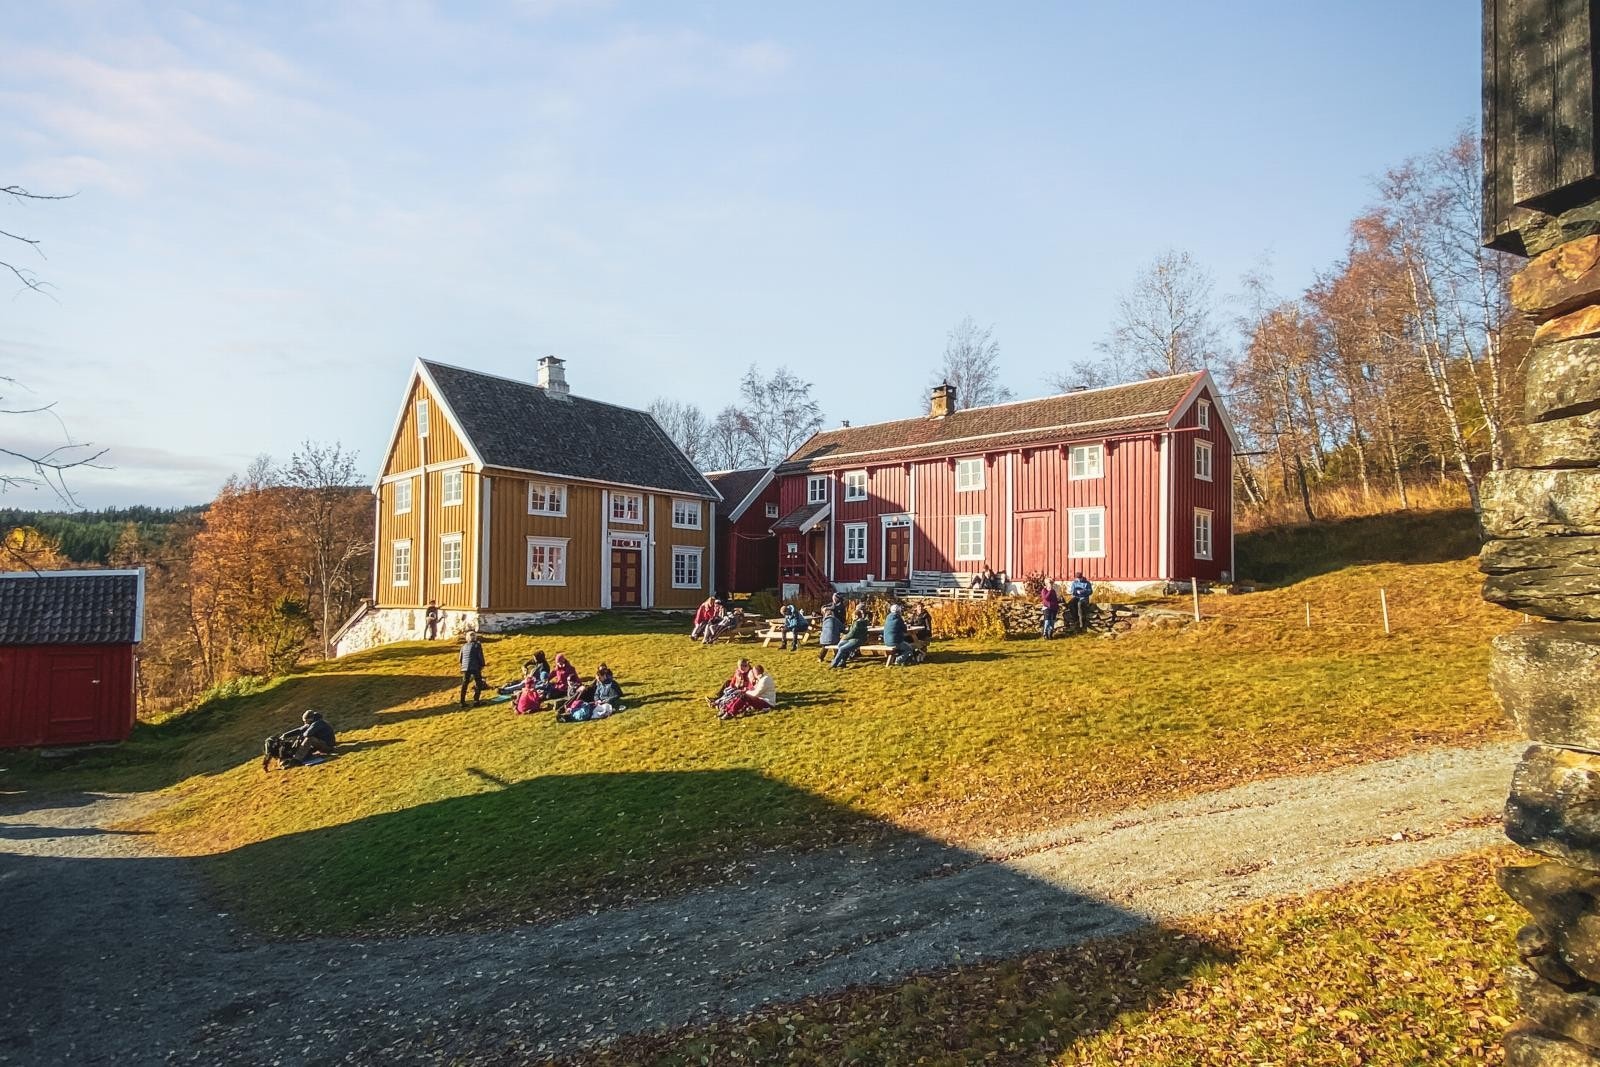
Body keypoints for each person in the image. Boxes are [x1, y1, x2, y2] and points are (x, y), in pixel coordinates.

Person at [263, 709, 336, 770]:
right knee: (301, 737)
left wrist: (301, 736)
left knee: (309, 739)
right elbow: (300, 729)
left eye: (305, 721)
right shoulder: (312, 722)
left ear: (310, 719)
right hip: (321, 744)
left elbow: (307, 733)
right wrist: (285, 735)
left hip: (328, 746)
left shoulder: (318, 723)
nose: (305, 723)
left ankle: (296, 760)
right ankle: (294, 755)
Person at [881, 602, 918, 667]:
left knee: (903, 646)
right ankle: (898, 660)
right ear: (899, 611)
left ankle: (903, 660)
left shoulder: (887, 618)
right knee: (909, 648)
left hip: (886, 641)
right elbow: (905, 630)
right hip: (896, 642)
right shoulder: (898, 618)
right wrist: (905, 624)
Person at [459, 631, 489, 707]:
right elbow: (480, 656)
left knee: (465, 684)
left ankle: (462, 702)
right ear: (475, 637)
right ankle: (476, 701)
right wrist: (482, 664)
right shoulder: (477, 645)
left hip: (465, 667)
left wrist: (463, 665)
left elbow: (460, 658)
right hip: (475, 667)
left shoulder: (463, 646)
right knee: (478, 683)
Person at [817, 592, 846, 661]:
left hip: (837, 624)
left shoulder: (840, 605)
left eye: (834, 597)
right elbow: (825, 606)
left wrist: (826, 608)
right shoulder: (832, 604)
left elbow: (834, 607)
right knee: (834, 641)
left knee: (829, 641)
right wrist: (824, 608)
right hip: (834, 624)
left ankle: (821, 657)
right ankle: (836, 657)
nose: (833, 599)